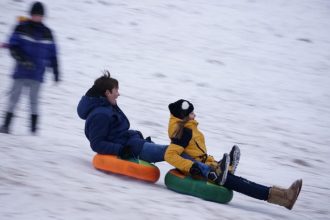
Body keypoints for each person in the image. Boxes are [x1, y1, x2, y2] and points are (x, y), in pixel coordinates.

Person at [165, 99, 303, 210]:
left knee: (237, 180)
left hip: (205, 166)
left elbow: (195, 153)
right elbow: (170, 155)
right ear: (184, 116)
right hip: (199, 171)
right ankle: (284, 198)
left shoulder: (188, 128)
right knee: (239, 183)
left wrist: (212, 162)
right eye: (191, 113)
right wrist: (192, 167)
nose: (194, 115)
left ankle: (225, 167)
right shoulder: (184, 132)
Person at [77, 71, 167, 163]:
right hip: (130, 148)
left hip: (132, 142)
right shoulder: (100, 115)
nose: (118, 94)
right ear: (108, 92)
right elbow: (97, 144)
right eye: (116, 90)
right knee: (170, 152)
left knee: (173, 150)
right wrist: (121, 150)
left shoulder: (106, 107)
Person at [0, 2, 60, 134]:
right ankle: (6, 126)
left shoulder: (47, 33)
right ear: (31, 14)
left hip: (37, 74)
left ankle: (33, 131)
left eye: (39, 15)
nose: (37, 17)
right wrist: (23, 60)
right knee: (14, 99)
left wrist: (56, 72)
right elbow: (13, 46)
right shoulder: (21, 27)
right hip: (21, 72)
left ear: (43, 16)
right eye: (34, 15)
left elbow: (53, 55)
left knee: (34, 102)